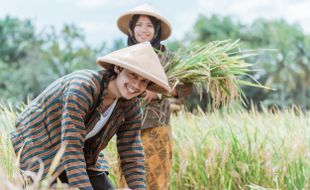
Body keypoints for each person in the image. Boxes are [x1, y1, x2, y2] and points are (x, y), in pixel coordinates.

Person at [10, 42, 171, 190]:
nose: (136, 85)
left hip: (83, 154)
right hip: (39, 146)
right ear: (118, 68)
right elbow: (71, 146)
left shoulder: (131, 105)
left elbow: (131, 150)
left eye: (143, 81)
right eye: (133, 75)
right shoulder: (83, 88)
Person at [116, 4, 193, 190]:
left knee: (156, 180)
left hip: (156, 128)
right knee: (128, 180)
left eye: (149, 25)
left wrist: (158, 91)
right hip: (127, 128)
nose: (144, 30)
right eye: (139, 25)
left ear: (157, 29)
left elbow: (186, 88)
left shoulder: (169, 59)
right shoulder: (123, 58)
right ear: (131, 29)